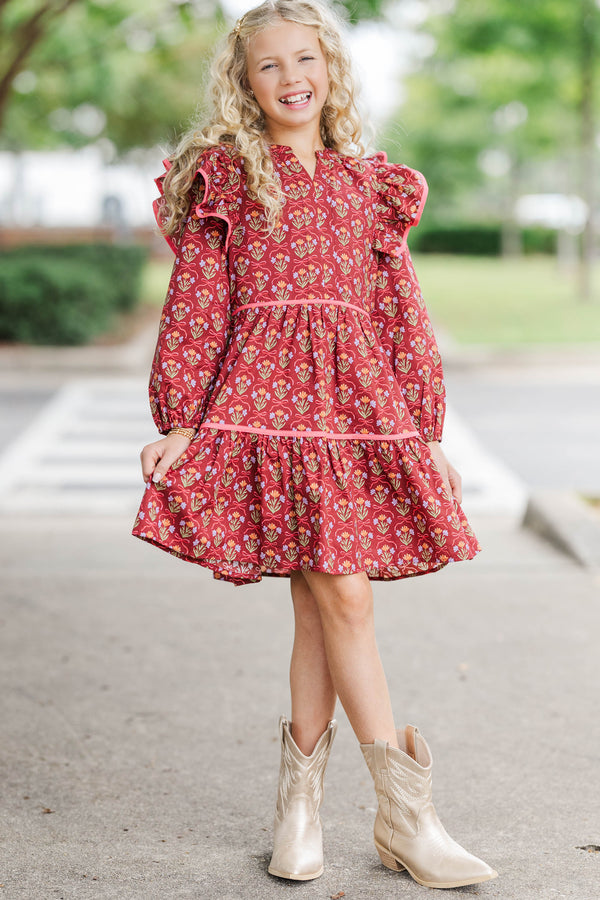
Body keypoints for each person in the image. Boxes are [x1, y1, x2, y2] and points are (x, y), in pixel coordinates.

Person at [132, 0, 498, 889]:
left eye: (307, 58)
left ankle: (307, 811)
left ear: (330, 69)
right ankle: (403, 818)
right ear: (244, 83)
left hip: (355, 407)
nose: (291, 76)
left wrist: (422, 426)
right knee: (341, 595)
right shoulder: (227, 177)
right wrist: (182, 415)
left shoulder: (370, 183)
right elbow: (199, 299)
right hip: (264, 401)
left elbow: (400, 313)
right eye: (269, 65)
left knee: (324, 604)